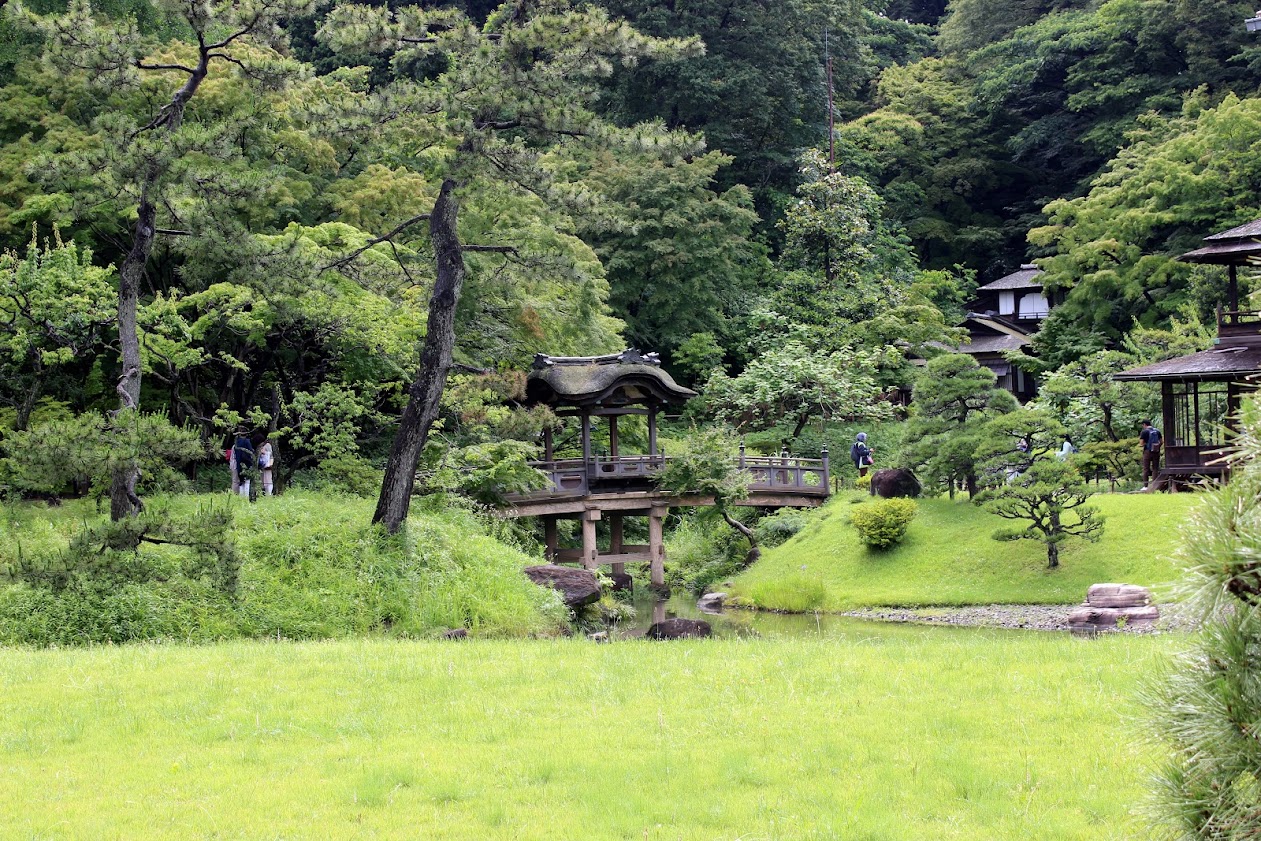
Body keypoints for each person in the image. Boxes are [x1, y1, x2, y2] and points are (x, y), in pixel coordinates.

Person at [232, 430, 255, 499]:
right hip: (246, 462)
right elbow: (250, 451)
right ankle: (246, 496)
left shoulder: (236, 443)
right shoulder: (247, 441)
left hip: (238, 463)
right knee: (247, 480)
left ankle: (241, 496)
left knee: (241, 481)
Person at [1139, 419, 1163, 487]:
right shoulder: (1157, 431)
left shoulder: (1144, 432)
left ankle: (1145, 486)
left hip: (1147, 452)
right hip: (1156, 452)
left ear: (1144, 424)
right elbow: (1161, 441)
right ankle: (1154, 485)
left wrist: (1145, 445)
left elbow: (1141, 443)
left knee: (1146, 468)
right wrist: (1157, 447)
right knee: (1155, 468)